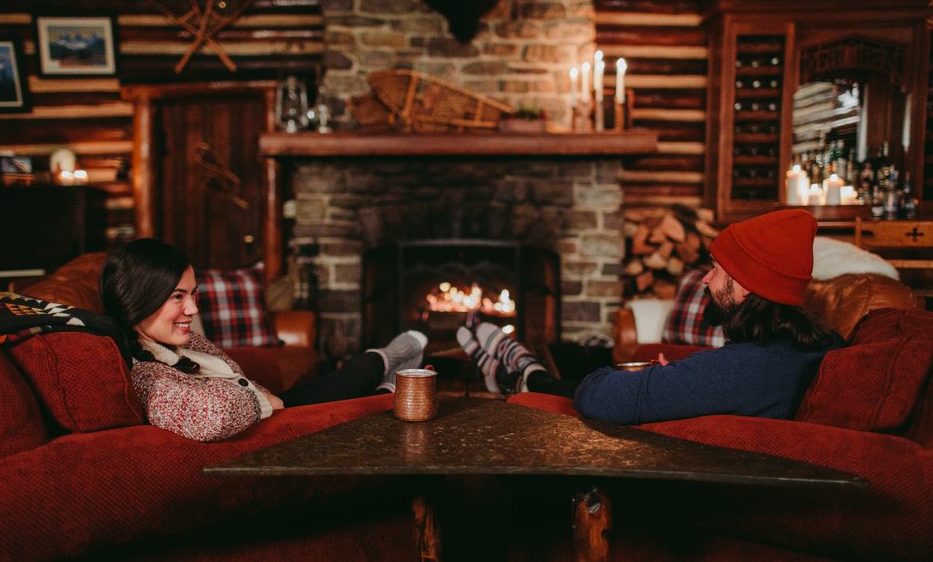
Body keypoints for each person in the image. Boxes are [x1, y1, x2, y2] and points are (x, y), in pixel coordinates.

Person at [457, 209, 843, 425]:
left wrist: (650, 380)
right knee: (571, 368)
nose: (706, 280)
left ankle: (522, 369)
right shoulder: (811, 346)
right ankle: (525, 371)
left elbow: (596, 397)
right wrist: (672, 378)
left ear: (745, 285)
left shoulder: (746, 370)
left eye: (717, 270)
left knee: (586, 383)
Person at [100, 238, 427, 442]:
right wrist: (261, 401)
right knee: (361, 377)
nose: (193, 308)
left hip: (273, 413)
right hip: (275, 434)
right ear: (139, 300)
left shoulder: (181, 343)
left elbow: (232, 375)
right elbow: (212, 417)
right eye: (177, 296)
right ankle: (398, 367)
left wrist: (262, 395)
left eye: (193, 294)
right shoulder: (146, 374)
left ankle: (392, 370)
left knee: (355, 376)